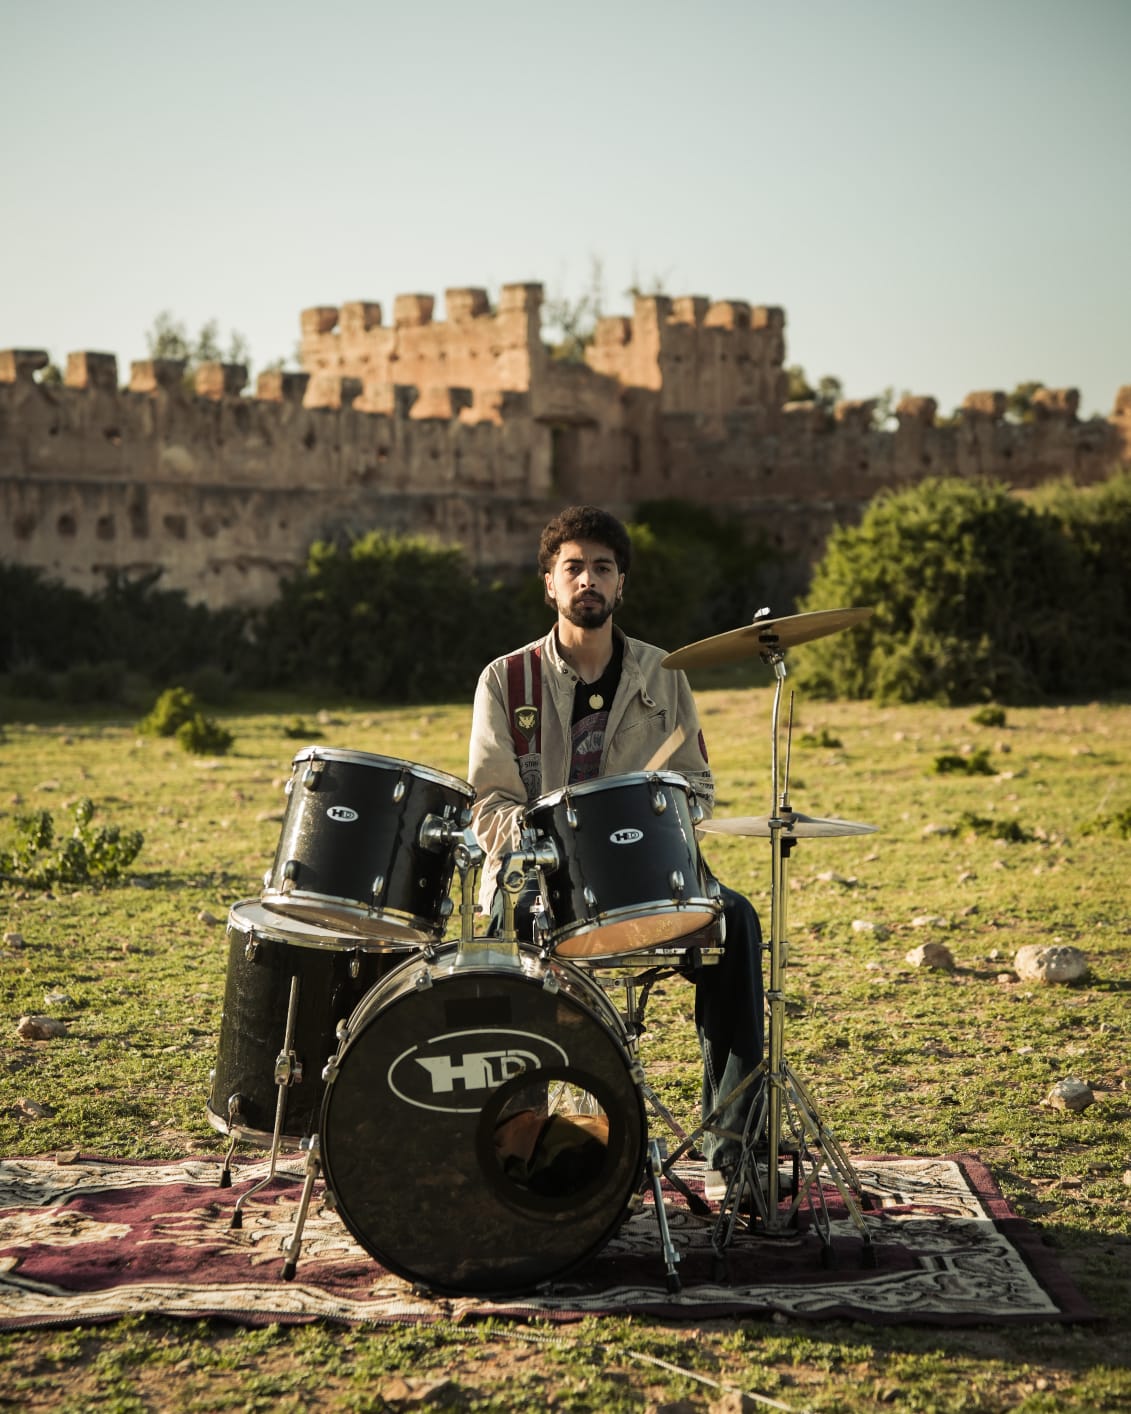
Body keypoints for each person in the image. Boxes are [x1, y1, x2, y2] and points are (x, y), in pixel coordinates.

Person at [467, 504, 765, 1192]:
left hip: (650, 877)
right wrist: (555, 850)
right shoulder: (503, 681)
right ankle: (520, 1146)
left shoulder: (667, 673)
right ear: (549, 583)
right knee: (495, 948)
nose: (587, 580)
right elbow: (488, 803)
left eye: (602, 567)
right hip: (539, 889)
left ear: (621, 583)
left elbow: (696, 782)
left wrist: (657, 821)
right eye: (572, 567)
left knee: (739, 924)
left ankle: (736, 1149)